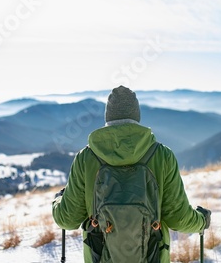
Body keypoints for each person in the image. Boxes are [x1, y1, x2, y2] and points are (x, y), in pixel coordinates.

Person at [52, 85, 211, 262]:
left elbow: (67, 220)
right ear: (137, 117)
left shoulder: (86, 159)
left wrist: (59, 200)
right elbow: (179, 218)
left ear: (107, 117)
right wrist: (201, 220)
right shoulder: (162, 156)